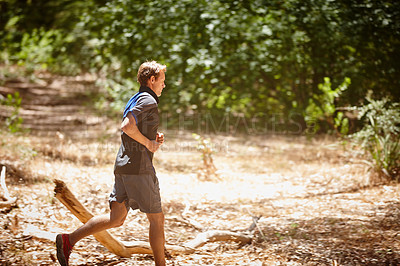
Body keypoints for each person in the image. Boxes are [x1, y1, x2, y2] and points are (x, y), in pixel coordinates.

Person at [56, 61, 167, 266]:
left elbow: (134, 127)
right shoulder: (149, 100)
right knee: (157, 219)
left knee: (116, 218)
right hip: (138, 168)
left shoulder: (136, 97)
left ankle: (67, 240)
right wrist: (149, 144)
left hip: (124, 164)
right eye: (162, 80)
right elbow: (127, 126)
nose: (164, 85)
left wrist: (151, 137)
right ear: (152, 80)